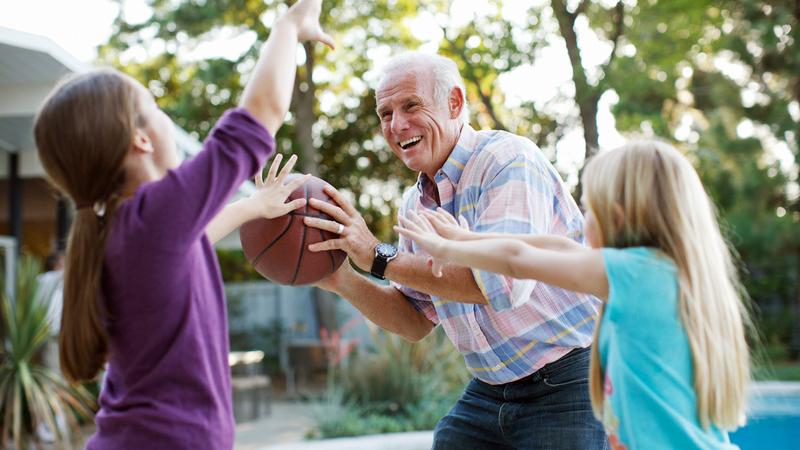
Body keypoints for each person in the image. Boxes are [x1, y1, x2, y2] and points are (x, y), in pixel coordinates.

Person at [32, 1, 333, 447]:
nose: (164, 116)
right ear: (140, 138)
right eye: (153, 105)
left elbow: (192, 244)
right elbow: (260, 114)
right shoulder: (153, 212)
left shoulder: (121, 230)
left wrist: (254, 207)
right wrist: (289, 25)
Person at [304, 52, 607, 449]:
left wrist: (377, 255)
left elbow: (497, 285)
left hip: (569, 382)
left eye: (411, 105)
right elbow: (413, 320)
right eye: (385, 113)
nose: (396, 125)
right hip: (490, 389)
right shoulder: (415, 206)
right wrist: (341, 278)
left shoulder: (507, 161)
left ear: (454, 103)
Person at [396, 141, 751, 449]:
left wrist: (446, 248)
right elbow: (555, 245)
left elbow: (518, 261)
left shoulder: (633, 274)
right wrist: (465, 240)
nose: (583, 219)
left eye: (588, 208)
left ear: (617, 217)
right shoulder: (653, 272)